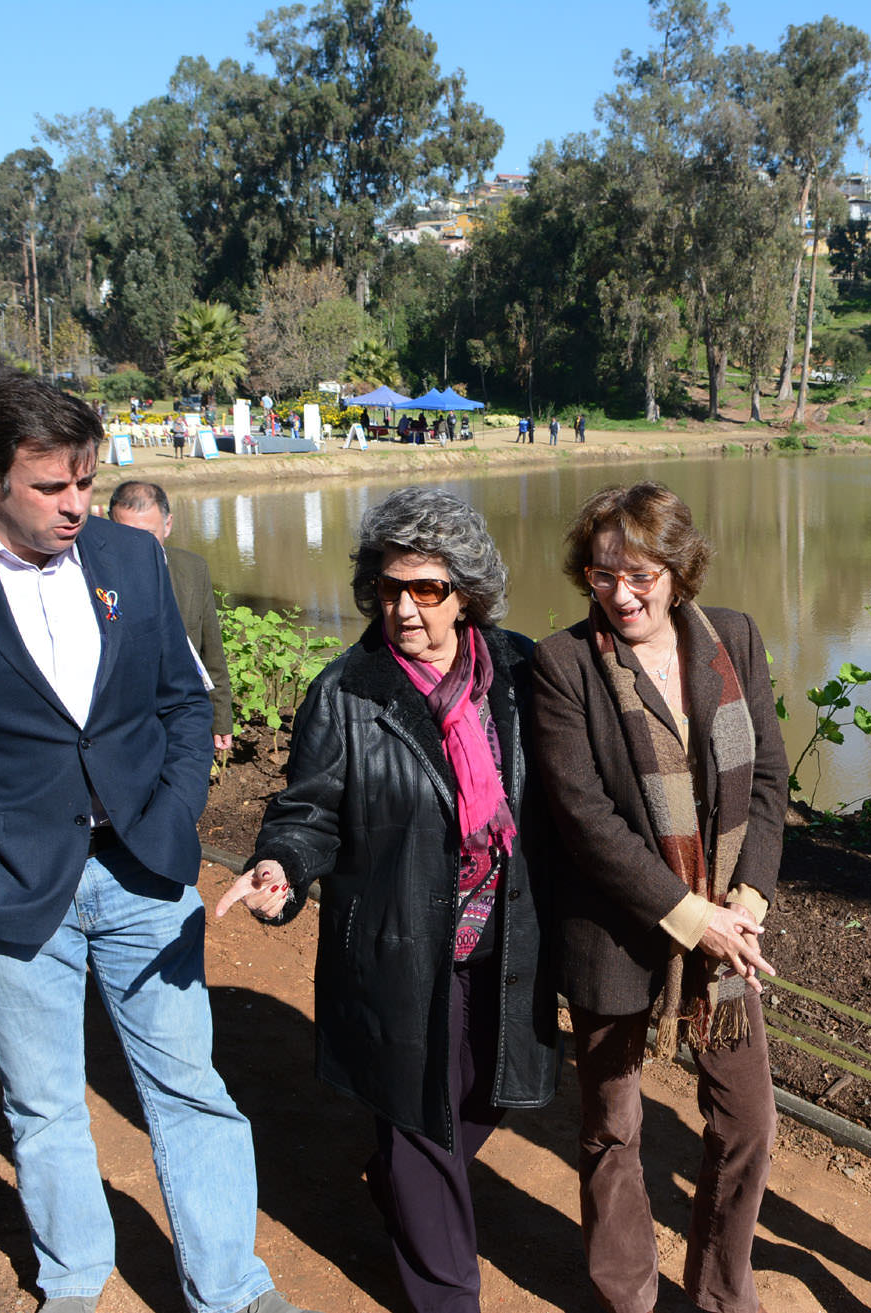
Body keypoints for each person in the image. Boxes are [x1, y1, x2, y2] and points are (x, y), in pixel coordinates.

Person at [0, 376, 315, 1313]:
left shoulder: (131, 558)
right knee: (43, 1106)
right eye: (52, 486)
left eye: (86, 480)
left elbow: (181, 696)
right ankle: (75, 1279)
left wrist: (174, 809)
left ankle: (233, 1289)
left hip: (143, 871)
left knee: (191, 1090)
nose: (76, 504)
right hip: (3, 888)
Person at [218, 487, 557, 1313]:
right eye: (387, 587)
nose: (403, 607)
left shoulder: (517, 670)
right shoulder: (351, 688)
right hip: (400, 943)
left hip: (506, 934)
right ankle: (447, 1293)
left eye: (426, 589)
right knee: (423, 1122)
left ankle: (398, 1177)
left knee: (490, 1094)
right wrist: (282, 866)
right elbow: (308, 808)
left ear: (467, 590)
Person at [532, 481, 788, 1313]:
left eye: (640, 572)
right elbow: (584, 816)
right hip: (615, 936)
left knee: (747, 1122)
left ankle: (719, 1292)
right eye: (603, 573)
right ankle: (627, 1296)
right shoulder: (563, 663)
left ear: (679, 571)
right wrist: (692, 917)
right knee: (613, 1129)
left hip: (726, 933)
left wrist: (745, 897)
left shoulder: (734, 641)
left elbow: (769, 781)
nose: (621, 592)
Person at [107, 481, 234, 756]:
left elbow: (211, 649)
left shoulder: (193, 569)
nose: (136, 546)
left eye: (147, 534)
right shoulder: (93, 575)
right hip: (121, 726)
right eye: (124, 534)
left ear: (167, 525)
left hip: (182, 717)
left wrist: (221, 716)